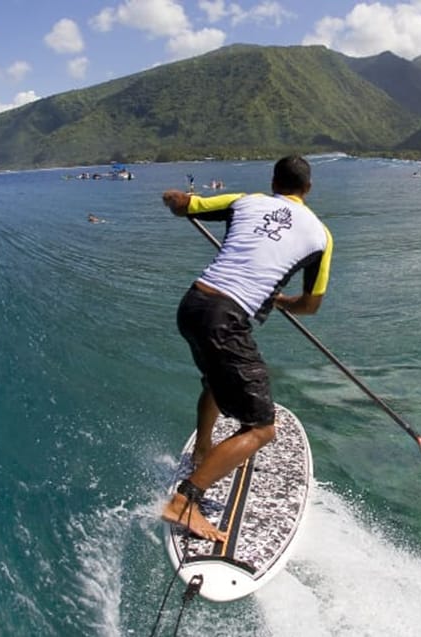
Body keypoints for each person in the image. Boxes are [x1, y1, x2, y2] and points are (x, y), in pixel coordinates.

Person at [160, 155, 333, 542]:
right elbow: (311, 305)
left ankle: (204, 448)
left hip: (193, 305)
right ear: (308, 189)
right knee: (262, 428)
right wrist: (281, 299)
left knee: (215, 382)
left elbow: (183, 204)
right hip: (225, 319)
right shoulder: (321, 235)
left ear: (274, 182)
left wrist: (173, 198)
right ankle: (184, 501)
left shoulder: (246, 201)